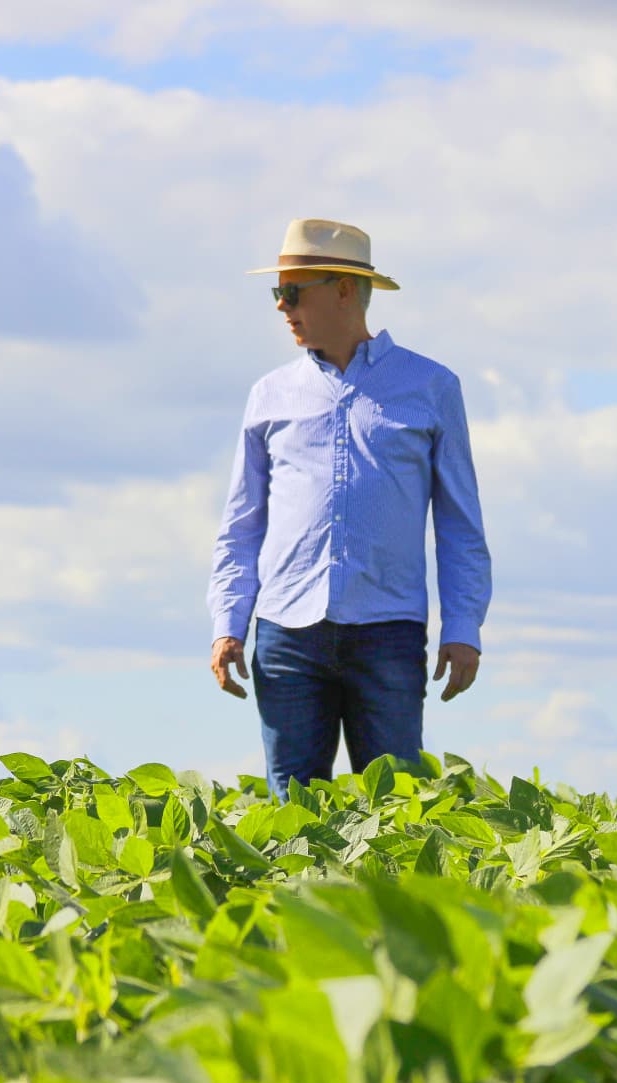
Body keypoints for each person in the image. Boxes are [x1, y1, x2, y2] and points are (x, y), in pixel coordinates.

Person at [208, 219, 492, 797]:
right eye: (277, 293)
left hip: (389, 633)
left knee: (393, 814)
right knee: (292, 814)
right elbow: (241, 525)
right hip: (287, 633)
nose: (282, 307)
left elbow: (460, 524)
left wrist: (463, 627)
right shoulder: (268, 394)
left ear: (343, 289)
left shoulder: (431, 386)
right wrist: (228, 623)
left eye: (293, 292)